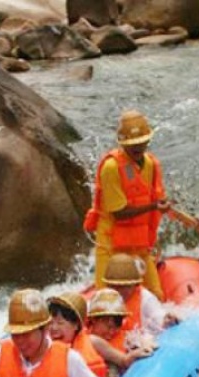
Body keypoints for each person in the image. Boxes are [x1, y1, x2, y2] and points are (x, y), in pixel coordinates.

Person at [83, 109, 171, 301]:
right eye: (131, 144)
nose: (137, 147)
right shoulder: (111, 168)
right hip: (112, 245)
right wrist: (154, 206)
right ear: (122, 143)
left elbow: (155, 201)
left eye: (141, 142)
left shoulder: (151, 164)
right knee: (106, 301)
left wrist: (161, 206)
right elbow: (119, 213)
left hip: (138, 244)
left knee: (157, 295)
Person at [103, 253, 177, 338]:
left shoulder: (146, 299)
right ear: (108, 285)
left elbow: (158, 316)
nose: (119, 291)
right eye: (115, 286)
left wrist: (166, 320)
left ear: (135, 285)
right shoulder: (103, 298)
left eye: (124, 286)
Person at [87, 288, 153, 377]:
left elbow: (145, 337)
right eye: (109, 326)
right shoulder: (90, 340)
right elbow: (123, 360)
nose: (112, 332)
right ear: (93, 320)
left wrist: (146, 342)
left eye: (116, 327)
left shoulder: (126, 337)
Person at [47, 292, 107, 377]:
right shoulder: (41, 348)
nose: (54, 328)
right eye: (51, 322)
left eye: (60, 323)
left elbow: (123, 360)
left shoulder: (93, 341)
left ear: (76, 325)